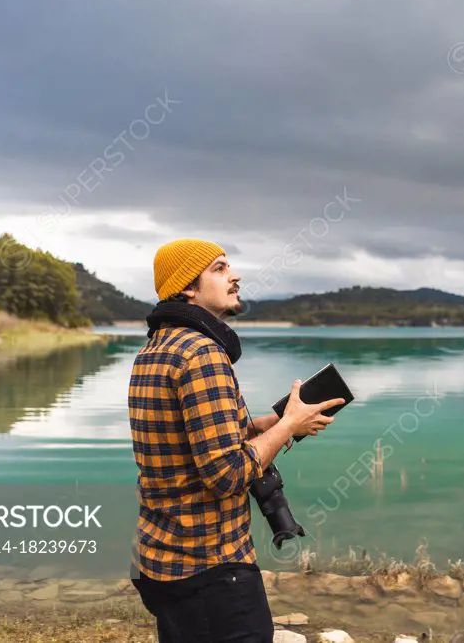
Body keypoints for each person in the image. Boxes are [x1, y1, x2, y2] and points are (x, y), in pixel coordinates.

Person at [128, 238, 344, 642]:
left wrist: (263, 425)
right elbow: (227, 474)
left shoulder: (154, 349)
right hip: (210, 568)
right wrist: (286, 428)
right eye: (220, 268)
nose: (235, 276)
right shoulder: (202, 353)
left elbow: (185, 441)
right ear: (188, 288)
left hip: (160, 562)